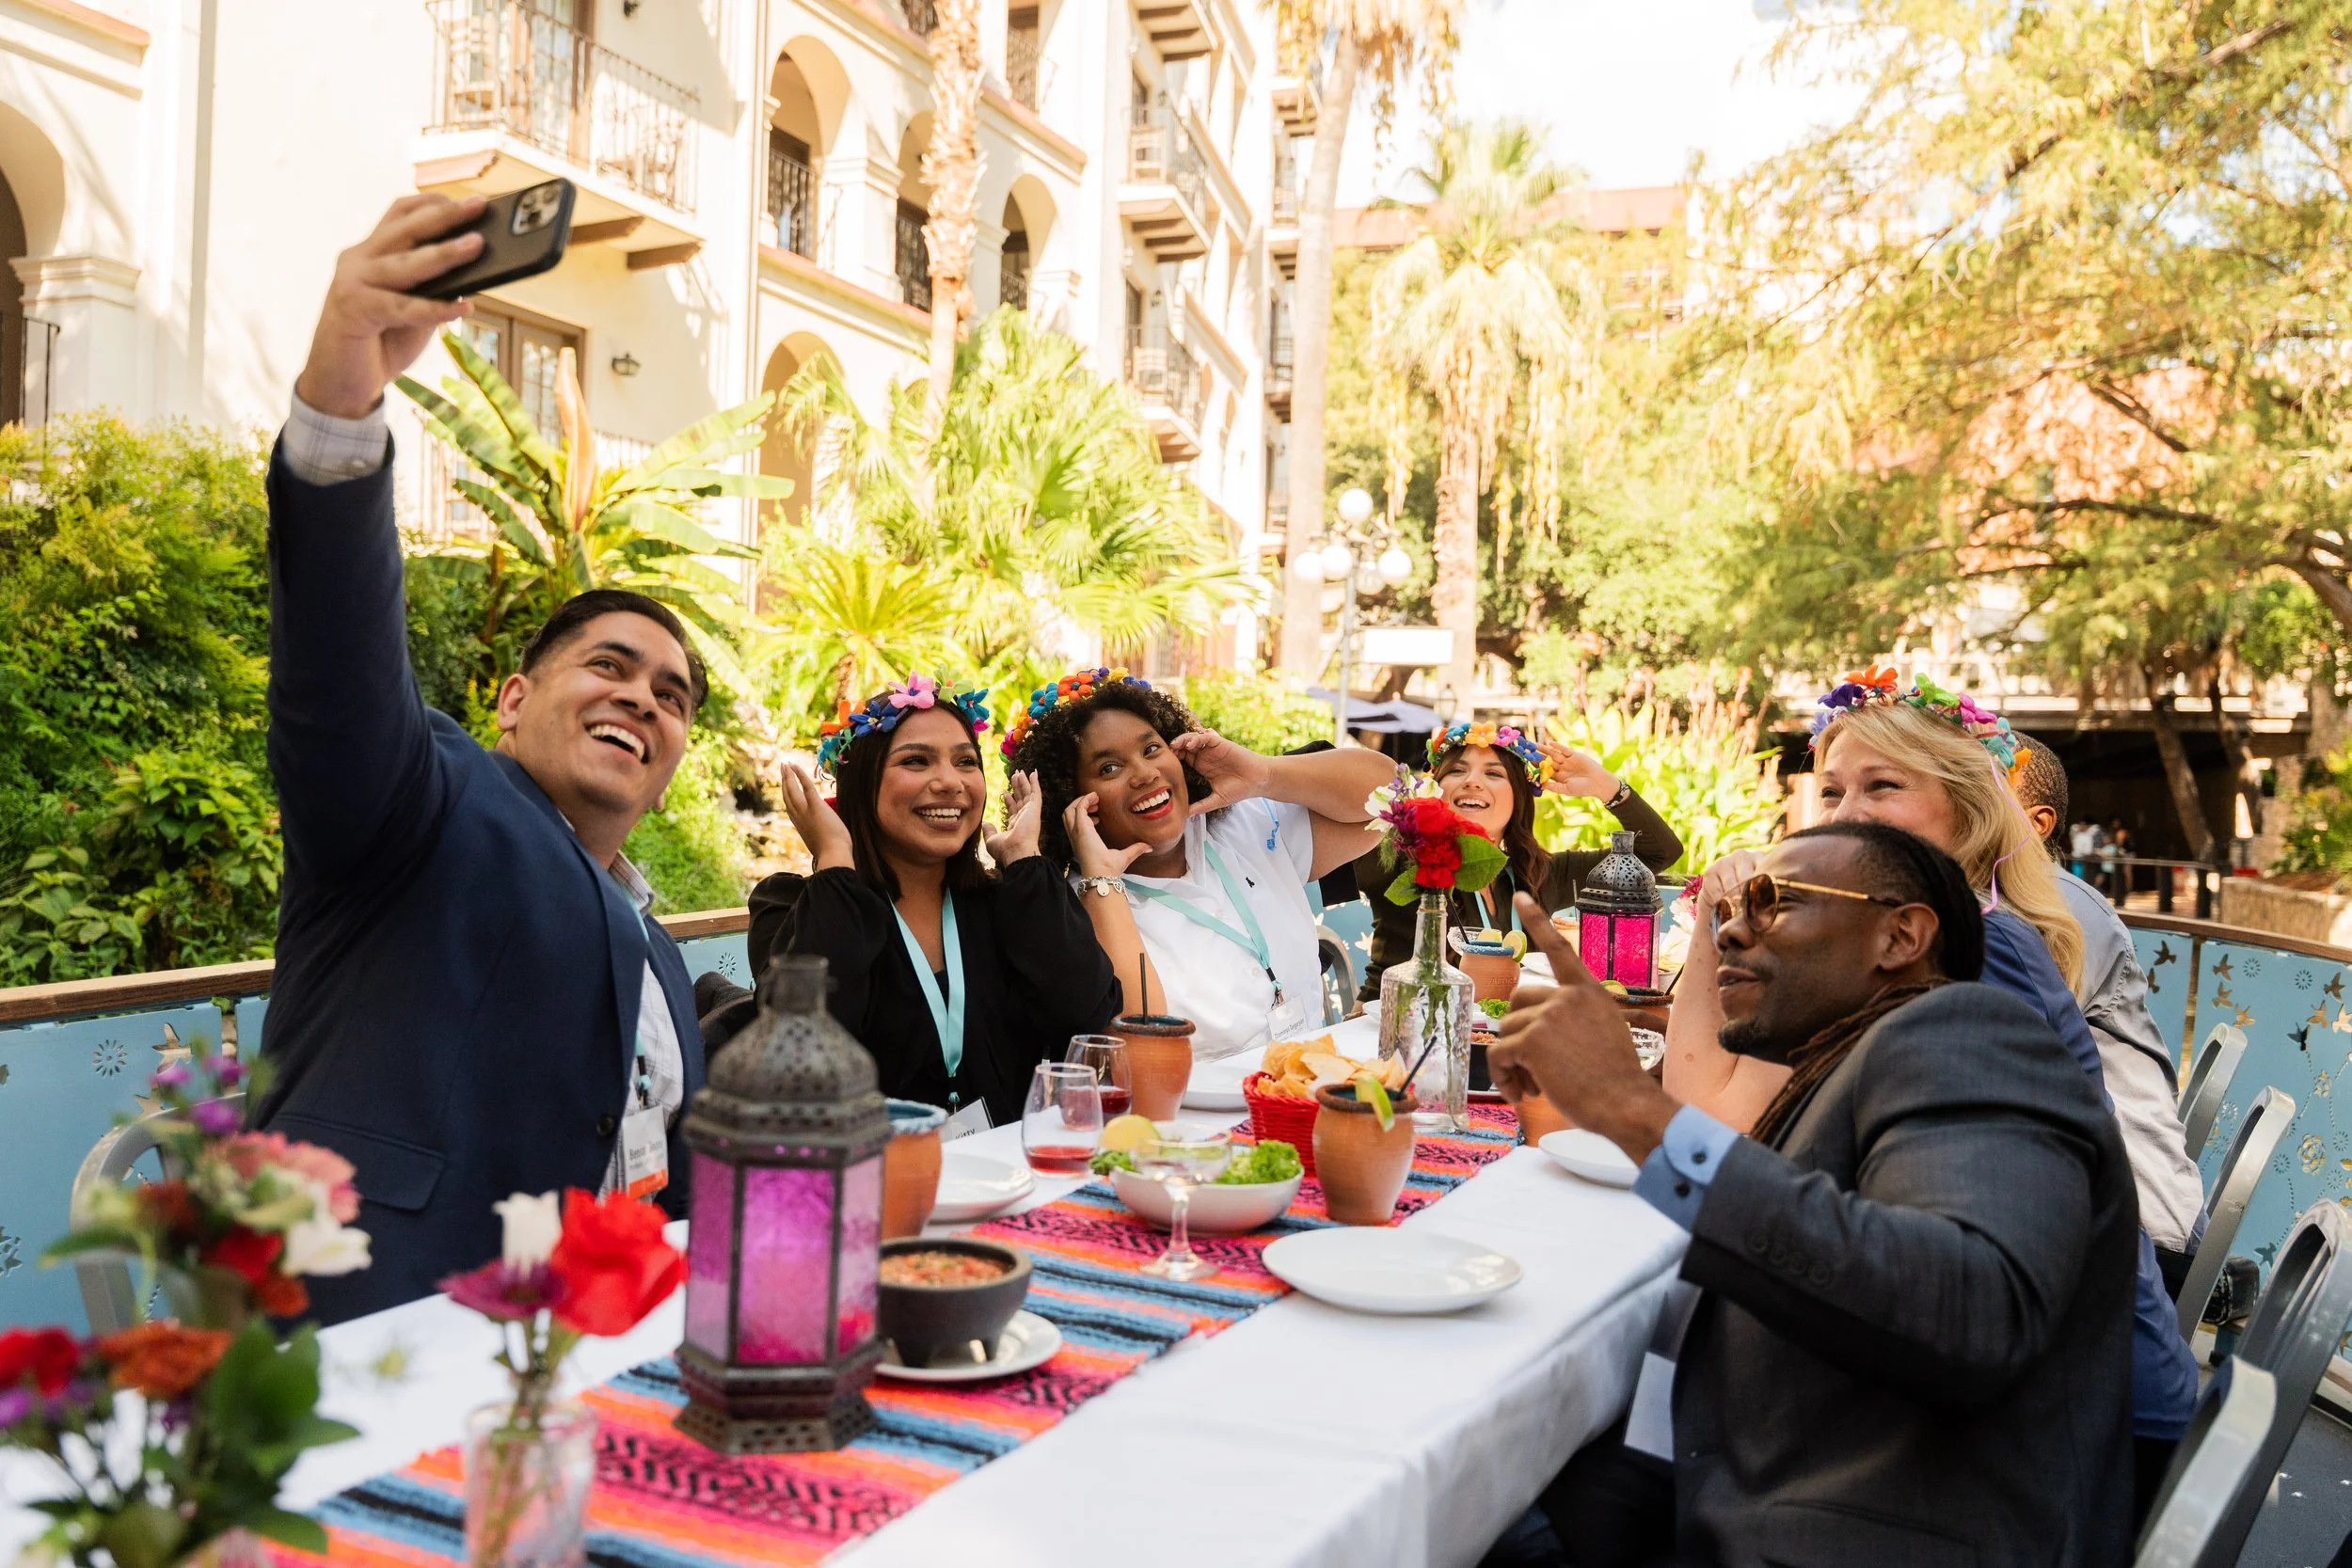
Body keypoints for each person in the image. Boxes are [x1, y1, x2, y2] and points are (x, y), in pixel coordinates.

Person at [252, 196, 707, 1323]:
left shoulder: (653, 946)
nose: (640, 699)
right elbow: (339, 662)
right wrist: (342, 402)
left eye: (671, 695)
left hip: (585, 1365)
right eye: (608, 665)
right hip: (377, 1336)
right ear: (510, 701)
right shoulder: (419, 802)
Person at [1497, 824, 2137, 1568]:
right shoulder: (1847, 1065)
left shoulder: (1966, 1034)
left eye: (1772, 901)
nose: (1731, 930)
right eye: (1730, 907)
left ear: (1900, 935)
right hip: (1741, 1477)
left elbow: (1972, 1306)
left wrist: (1638, 1114)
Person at [1664, 668, 2197, 1510]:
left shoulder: (1985, 970)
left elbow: (1967, 1301)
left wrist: (1628, 1122)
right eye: (1833, 789)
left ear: (1971, 811)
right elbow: (1714, 1114)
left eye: (1885, 786)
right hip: (2018, 1390)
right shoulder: (1904, 949)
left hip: (2068, 1435)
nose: (1846, 812)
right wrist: (1712, 930)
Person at [695, 676, 1121, 1128]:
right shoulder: (796, 906)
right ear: (863, 782)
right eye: (916, 761)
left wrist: (1024, 859)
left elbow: (1088, 1021)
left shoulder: (1010, 901)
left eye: (965, 762)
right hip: (869, 1181)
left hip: (1006, 1178)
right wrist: (836, 860)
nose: (949, 782)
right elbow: (803, 1059)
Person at [1005, 668, 1391, 1059]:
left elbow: (1394, 796)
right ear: (1072, 799)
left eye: (1152, 749)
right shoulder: (1079, 908)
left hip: (1301, 1096)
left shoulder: (1244, 824)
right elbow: (1145, 1055)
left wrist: (1262, 774)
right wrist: (1102, 880)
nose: (1145, 774)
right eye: (1109, 768)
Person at [2013, 742, 2205, 1282]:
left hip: (2142, 1236)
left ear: (2038, 824)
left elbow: (1991, 1058)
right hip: (2084, 1208)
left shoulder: (2053, 911)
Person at [1351, 721, 1682, 1002]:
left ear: (1518, 799)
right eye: (1457, 771)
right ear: (1436, 788)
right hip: (1389, 1026)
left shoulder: (1538, 874)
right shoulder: (1407, 856)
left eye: (1493, 773)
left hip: (1500, 1040)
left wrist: (1607, 787)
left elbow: (1658, 853)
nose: (1473, 781)